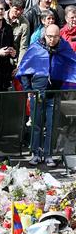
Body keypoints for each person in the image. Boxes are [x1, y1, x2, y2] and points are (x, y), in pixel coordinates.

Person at [17, 24, 76, 167]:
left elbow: (71, 64)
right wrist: (28, 89)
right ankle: (36, 153)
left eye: (56, 37)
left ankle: (49, 154)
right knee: (36, 124)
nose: (52, 40)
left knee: (52, 124)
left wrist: (63, 86)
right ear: (45, 35)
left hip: (54, 93)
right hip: (37, 91)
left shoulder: (64, 47)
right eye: (50, 36)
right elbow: (24, 69)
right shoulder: (36, 47)